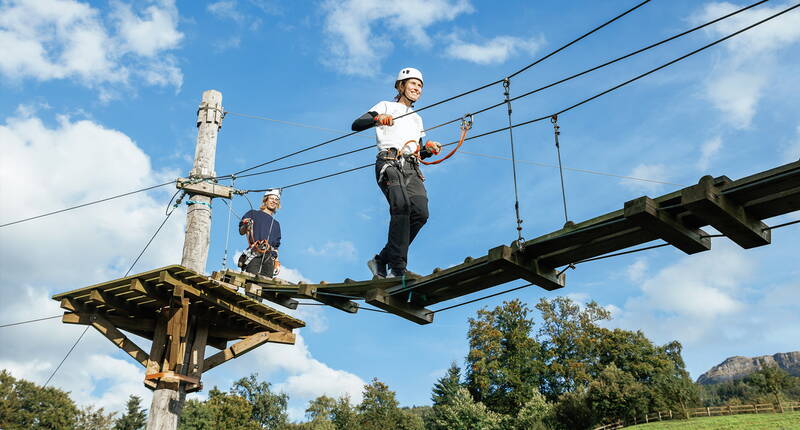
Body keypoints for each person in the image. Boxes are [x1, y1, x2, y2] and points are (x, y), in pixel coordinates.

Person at [351, 67, 442, 278]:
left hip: (411, 167)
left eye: (420, 86)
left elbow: (418, 151)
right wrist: (378, 118)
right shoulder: (386, 106)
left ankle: (381, 260)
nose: (417, 88)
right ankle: (397, 268)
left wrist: (428, 149)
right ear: (401, 86)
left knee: (420, 213)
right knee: (401, 207)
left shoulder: (417, 119)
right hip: (389, 163)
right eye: (413, 83)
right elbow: (356, 124)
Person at [238, 188, 281, 278]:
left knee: (265, 288)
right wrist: (246, 225)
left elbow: (276, 247)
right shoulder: (253, 214)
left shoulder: (276, 225)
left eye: (276, 200)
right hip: (254, 255)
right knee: (252, 285)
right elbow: (241, 231)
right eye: (271, 198)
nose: (274, 201)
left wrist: (277, 262)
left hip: (269, 259)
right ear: (265, 200)